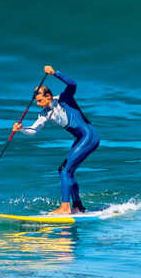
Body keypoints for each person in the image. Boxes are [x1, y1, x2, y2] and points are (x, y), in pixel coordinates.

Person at [13, 65, 100, 214]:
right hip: (81, 138)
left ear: (48, 96)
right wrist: (21, 129)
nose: (38, 104)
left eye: (40, 101)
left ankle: (65, 207)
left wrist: (55, 73)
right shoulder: (45, 114)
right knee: (64, 171)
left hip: (89, 136)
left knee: (66, 171)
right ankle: (78, 206)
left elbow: (73, 84)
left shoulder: (64, 99)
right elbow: (33, 130)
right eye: (36, 102)